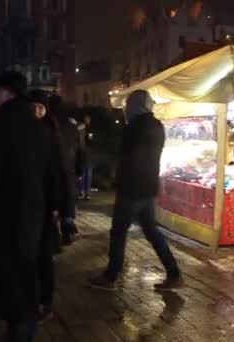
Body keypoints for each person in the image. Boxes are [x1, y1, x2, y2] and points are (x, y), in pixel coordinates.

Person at [0, 71, 54, 342]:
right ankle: (22, 326)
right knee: (24, 271)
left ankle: (21, 331)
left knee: (11, 277)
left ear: (7, 93)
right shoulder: (38, 126)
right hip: (31, 211)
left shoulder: (1, 126)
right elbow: (52, 170)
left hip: (5, 213)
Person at [89, 89, 182, 292]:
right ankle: (174, 272)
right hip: (148, 187)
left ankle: (111, 275)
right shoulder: (157, 126)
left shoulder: (134, 128)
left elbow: (124, 155)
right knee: (151, 231)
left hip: (131, 187)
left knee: (119, 232)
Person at [28, 89, 63, 323]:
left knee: (43, 256)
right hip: (29, 203)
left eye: (41, 107)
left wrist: (59, 207)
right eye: (34, 107)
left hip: (45, 204)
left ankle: (45, 302)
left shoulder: (52, 132)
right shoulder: (25, 131)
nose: (37, 111)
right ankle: (34, 298)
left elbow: (58, 173)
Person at [48, 95, 83, 245]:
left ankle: (55, 236)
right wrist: (80, 170)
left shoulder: (48, 124)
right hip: (68, 170)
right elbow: (80, 149)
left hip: (52, 170)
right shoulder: (71, 125)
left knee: (54, 201)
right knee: (67, 200)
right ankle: (67, 230)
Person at [79, 113, 94, 200]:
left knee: (87, 173)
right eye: (86, 118)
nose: (87, 120)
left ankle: (86, 192)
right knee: (83, 173)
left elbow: (91, 140)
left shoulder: (89, 129)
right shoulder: (81, 127)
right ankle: (82, 191)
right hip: (83, 153)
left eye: (88, 119)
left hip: (87, 154)